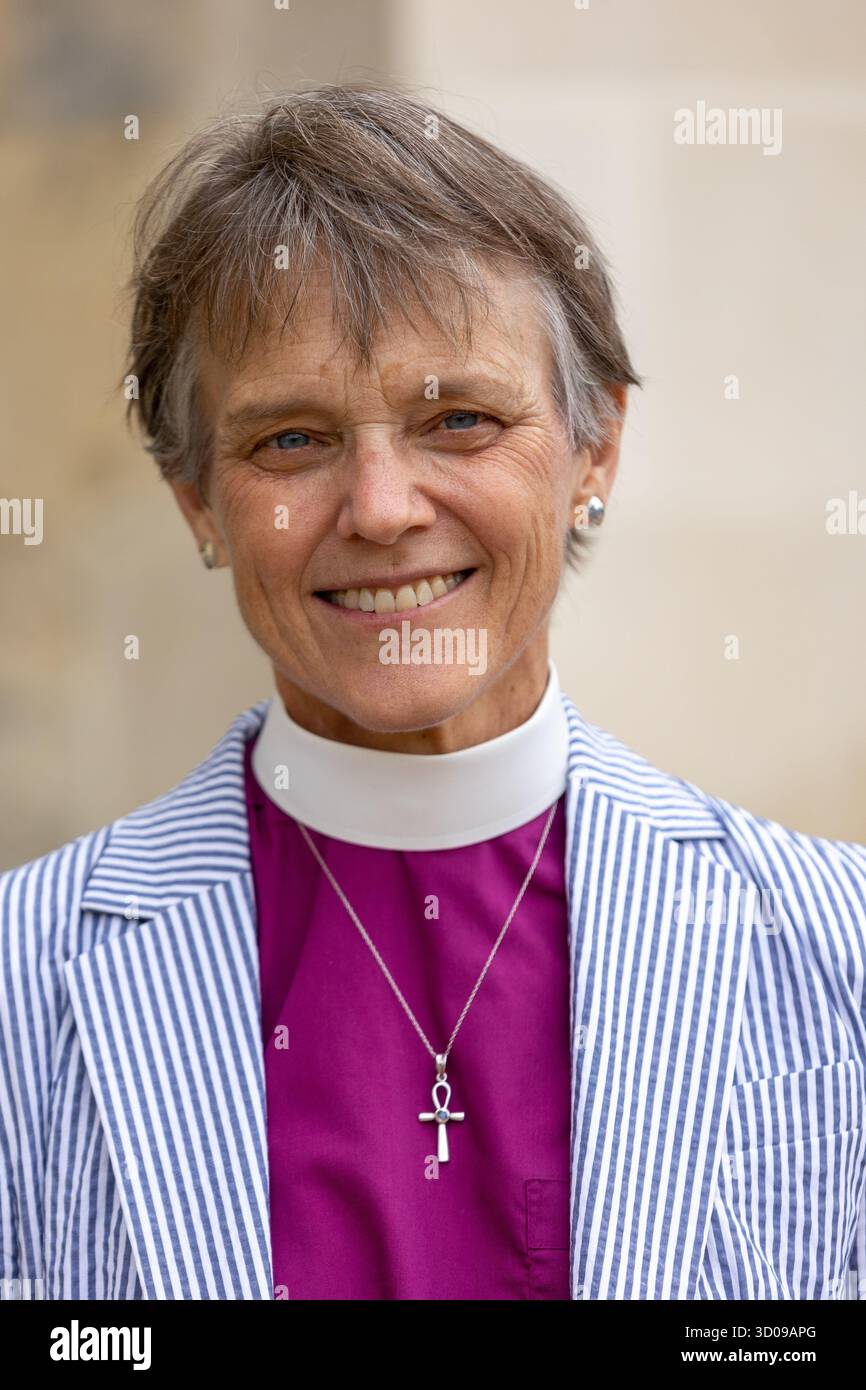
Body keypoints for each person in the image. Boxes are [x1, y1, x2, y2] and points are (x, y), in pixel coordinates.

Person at [2, 84, 864, 1302]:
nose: (382, 508)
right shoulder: (19, 984)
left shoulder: (835, 954)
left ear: (593, 450)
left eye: (458, 418)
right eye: (289, 440)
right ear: (198, 499)